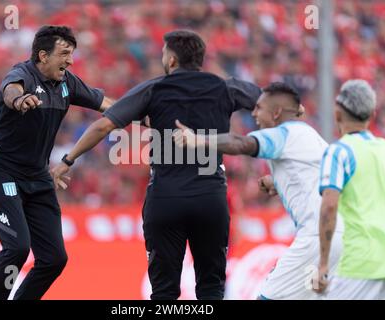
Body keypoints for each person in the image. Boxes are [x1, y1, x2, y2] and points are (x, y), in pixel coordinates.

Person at [51, 30, 261, 300]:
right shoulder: (225, 87)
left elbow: (104, 125)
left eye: (164, 53)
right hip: (210, 198)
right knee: (211, 289)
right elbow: (270, 104)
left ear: (172, 60)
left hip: (166, 198)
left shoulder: (153, 89)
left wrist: (68, 160)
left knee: (163, 292)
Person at [174, 82, 343, 300]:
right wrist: (278, 182)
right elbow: (322, 176)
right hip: (339, 237)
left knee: (266, 297)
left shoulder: (282, 134)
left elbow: (240, 143)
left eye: (259, 108)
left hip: (315, 238)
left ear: (276, 112)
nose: (254, 113)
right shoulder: (310, 136)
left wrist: (199, 140)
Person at [0, 25, 114, 300]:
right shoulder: (22, 74)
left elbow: (108, 105)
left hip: (39, 177)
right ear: (43, 56)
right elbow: (11, 90)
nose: (70, 60)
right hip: (4, 173)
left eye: (72, 54)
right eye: (64, 54)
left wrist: (144, 113)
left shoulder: (68, 83)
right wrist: (19, 100)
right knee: (17, 249)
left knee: (54, 259)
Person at [314, 80, 385, 299]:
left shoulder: (339, 152)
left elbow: (329, 206)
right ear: (371, 114)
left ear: (337, 114)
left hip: (358, 263)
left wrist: (323, 264)